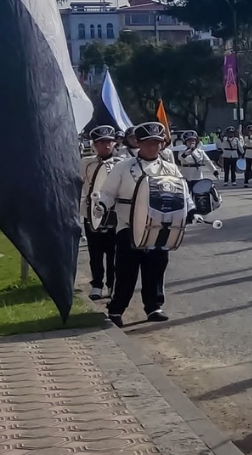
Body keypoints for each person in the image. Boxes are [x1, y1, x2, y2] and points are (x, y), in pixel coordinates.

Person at [98, 121, 193, 326]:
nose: (153, 147)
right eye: (149, 142)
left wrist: (190, 210)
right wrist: (101, 207)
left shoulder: (170, 168)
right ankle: (116, 310)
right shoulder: (123, 167)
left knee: (156, 267)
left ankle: (154, 307)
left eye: (157, 143)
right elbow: (107, 192)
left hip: (161, 225)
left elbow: (183, 193)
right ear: (138, 143)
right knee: (125, 271)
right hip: (128, 226)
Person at [81, 125, 123, 300]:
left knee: (114, 252)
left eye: (109, 142)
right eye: (101, 142)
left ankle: (112, 285)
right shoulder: (86, 163)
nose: (106, 145)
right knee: (95, 251)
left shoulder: (123, 164)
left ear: (114, 143)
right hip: (92, 212)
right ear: (95, 144)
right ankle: (97, 284)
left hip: (115, 213)